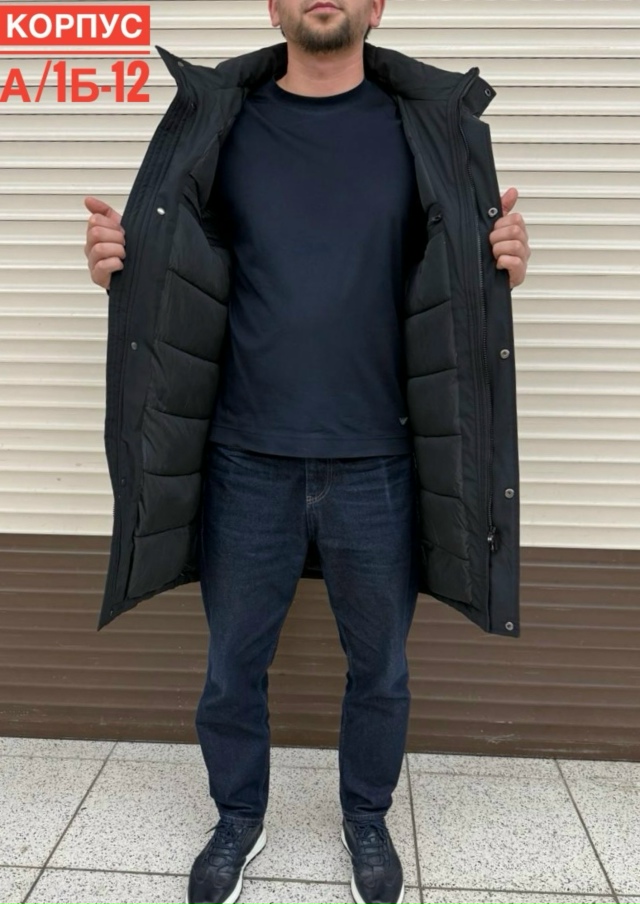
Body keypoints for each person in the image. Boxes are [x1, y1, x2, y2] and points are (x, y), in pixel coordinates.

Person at [84, 2, 531, 902]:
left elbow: (449, 273)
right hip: (245, 457)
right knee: (231, 669)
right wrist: (122, 266)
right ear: (273, 6)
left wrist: (499, 268)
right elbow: (182, 262)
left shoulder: (430, 127)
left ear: (376, 6)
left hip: (380, 462)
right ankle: (238, 817)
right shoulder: (216, 121)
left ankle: (365, 814)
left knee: (382, 670)